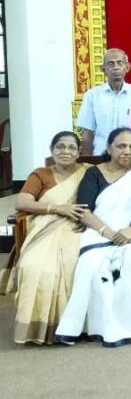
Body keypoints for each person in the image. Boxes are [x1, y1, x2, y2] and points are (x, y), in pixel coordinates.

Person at [54, 128, 131, 347]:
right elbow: (84, 211)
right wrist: (108, 232)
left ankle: (130, 324)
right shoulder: (94, 173)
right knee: (89, 264)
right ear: (108, 148)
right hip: (98, 230)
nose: (127, 151)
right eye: (121, 146)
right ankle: (88, 326)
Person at [0, 132, 87, 344]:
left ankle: (69, 326)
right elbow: (22, 202)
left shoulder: (88, 172)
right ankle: (37, 327)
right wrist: (57, 208)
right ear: (51, 149)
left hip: (77, 226)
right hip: (44, 226)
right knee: (33, 266)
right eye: (60, 146)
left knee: (73, 263)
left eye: (71, 148)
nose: (65, 151)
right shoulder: (40, 174)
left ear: (79, 152)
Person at [76, 48, 131, 156]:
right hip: (101, 156)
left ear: (127, 67)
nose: (116, 67)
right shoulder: (92, 95)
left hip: (130, 156)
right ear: (103, 69)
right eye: (110, 64)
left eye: (120, 63)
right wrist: (87, 161)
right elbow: (88, 134)